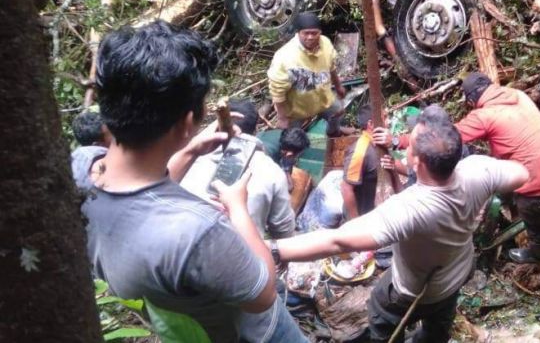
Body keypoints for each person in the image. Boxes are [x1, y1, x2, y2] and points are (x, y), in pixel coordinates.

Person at [77, 20, 306, 343]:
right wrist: (238, 209)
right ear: (188, 122)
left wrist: (190, 148)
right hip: (251, 335)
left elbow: (141, 190)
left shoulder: (79, 167)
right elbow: (264, 294)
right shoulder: (198, 231)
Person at [272, 105, 529, 342]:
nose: (404, 142)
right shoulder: (477, 170)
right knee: (438, 324)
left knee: (381, 313)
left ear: (417, 162)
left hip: (413, 289)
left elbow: (336, 239)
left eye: (410, 142)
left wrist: (273, 248)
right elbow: (521, 173)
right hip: (457, 274)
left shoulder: (409, 208)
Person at [374, 72, 540, 264]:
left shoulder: (484, 116)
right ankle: (509, 211)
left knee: (536, 221)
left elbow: (446, 136)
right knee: (506, 191)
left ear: (470, 101)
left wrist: (398, 140)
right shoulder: (518, 96)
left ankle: (539, 253)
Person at [180, 98, 296, 239]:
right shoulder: (271, 171)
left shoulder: (185, 160)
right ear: (255, 127)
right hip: (242, 252)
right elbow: (284, 231)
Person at [296, 105, 381, 231]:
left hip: (374, 217)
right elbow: (346, 189)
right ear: (371, 124)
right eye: (384, 118)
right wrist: (356, 224)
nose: (388, 122)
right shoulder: (360, 151)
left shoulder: (378, 145)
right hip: (362, 221)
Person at [267, 12, 346, 136]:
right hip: (297, 110)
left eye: (314, 33)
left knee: (338, 111)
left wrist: (338, 86)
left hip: (323, 100)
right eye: (306, 33)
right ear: (298, 33)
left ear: (320, 32)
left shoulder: (325, 43)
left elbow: (332, 68)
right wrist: (282, 118)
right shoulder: (284, 57)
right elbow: (277, 92)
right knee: (292, 139)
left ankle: (334, 133)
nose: (310, 37)